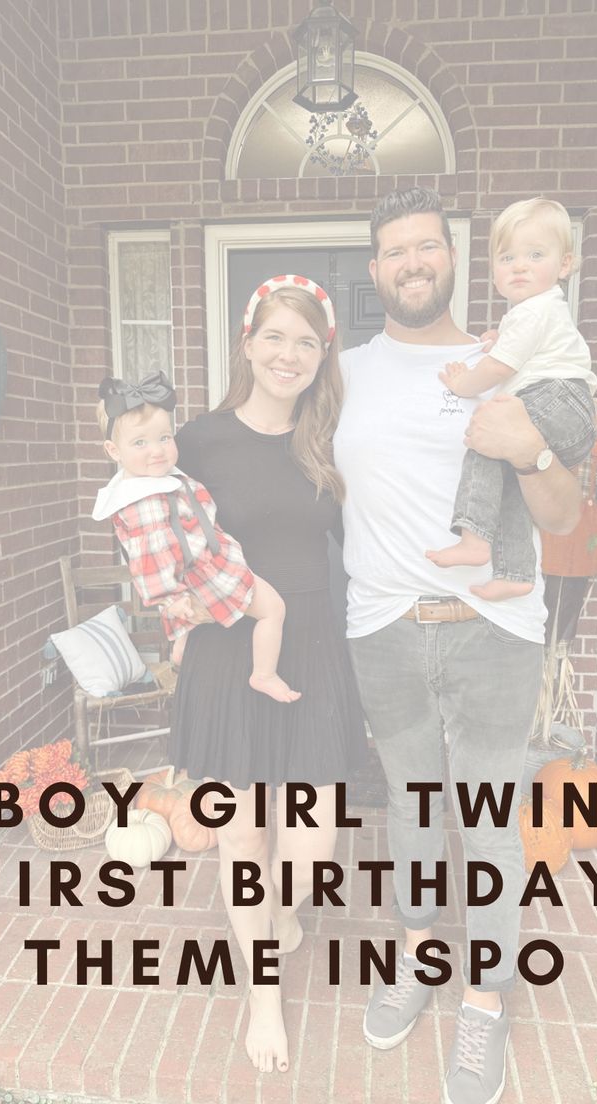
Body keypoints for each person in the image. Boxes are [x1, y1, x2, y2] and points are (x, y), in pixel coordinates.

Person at [334, 188, 586, 1104]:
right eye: (395, 250)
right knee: (411, 814)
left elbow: (564, 516)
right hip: (384, 632)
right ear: (376, 271)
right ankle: (416, 957)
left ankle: (485, 1002)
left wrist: (533, 452)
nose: (412, 262)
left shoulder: (509, 358)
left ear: (453, 258)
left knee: (484, 824)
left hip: (492, 633)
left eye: (427, 247)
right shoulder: (348, 372)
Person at [170, 275, 368, 1074]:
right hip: (232, 644)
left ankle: (275, 922)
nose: (289, 354)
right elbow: (163, 534)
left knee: (312, 847)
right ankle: (263, 996)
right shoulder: (199, 439)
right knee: (244, 834)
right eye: (275, 337)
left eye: (307, 342)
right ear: (248, 343)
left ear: (323, 357)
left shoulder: (330, 438)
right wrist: (177, 612)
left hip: (313, 642)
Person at [426, 196, 597, 601]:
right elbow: (514, 347)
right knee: (510, 480)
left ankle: (473, 535)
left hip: (558, 397)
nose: (519, 265)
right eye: (507, 258)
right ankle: (517, 571)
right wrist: (497, 339)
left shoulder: (534, 311)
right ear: (495, 272)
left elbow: (500, 368)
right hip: (568, 409)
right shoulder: (534, 312)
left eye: (535, 254)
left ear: (565, 264)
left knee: (486, 438)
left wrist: (464, 383)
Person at [92, 371, 301, 702]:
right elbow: (149, 557)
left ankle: (181, 648)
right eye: (140, 443)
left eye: (164, 437)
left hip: (196, 569)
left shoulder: (153, 480)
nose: (157, 451)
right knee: (273, 608)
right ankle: (264, 674)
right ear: (113, 450)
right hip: (207, 572)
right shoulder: (143, 500)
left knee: (198, 617)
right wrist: (170, 599)